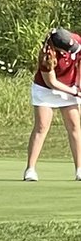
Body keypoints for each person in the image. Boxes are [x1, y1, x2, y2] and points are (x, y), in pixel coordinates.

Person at [24, 26, 81, 182]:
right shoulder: (46, 55)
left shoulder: (76, 41)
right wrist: (75, 92)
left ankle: (79, 170)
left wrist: (79, 84)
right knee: (41, 127)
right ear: (57, 48)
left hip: (70, 86)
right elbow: (52, 83)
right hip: (45, 89)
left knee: (74, 126)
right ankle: (30, 169)